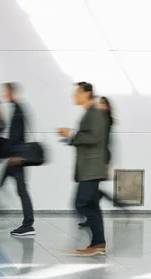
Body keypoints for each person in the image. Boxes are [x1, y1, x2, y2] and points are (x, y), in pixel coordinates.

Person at [58, 82, 109, 256]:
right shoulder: (89, 113)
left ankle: (98, 242)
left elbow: (93, 137)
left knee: (81, 203)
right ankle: (98, 244)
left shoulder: (94, 113)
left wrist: (71, 134)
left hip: (91, 168)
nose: (75, 96)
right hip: (89, 167)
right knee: (92, 206)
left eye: (77, 93)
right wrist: (70, 137)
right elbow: (88, 137)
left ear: (87, 93)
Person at [78, 96, 126, 228]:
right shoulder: (101, 119)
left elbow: (105, 142)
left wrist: (105, 162)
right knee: (93, 191)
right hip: (98, 157)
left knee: (92, 191)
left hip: (102, 157)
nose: (100, 106)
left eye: (103, 104)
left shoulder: (106, 121)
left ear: (108, 107)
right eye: (100, 104)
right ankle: (93, 217)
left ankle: (117, 204)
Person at [0, 82, 35, 236]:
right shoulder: (16, 108)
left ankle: (28, 224)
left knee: (21, 190)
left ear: (11, 92)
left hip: (17, 158)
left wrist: (16, 155)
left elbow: (18, 135)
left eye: (5, 92)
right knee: (4, 185)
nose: (4, 94)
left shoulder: (18, 109)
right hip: (14, 156)